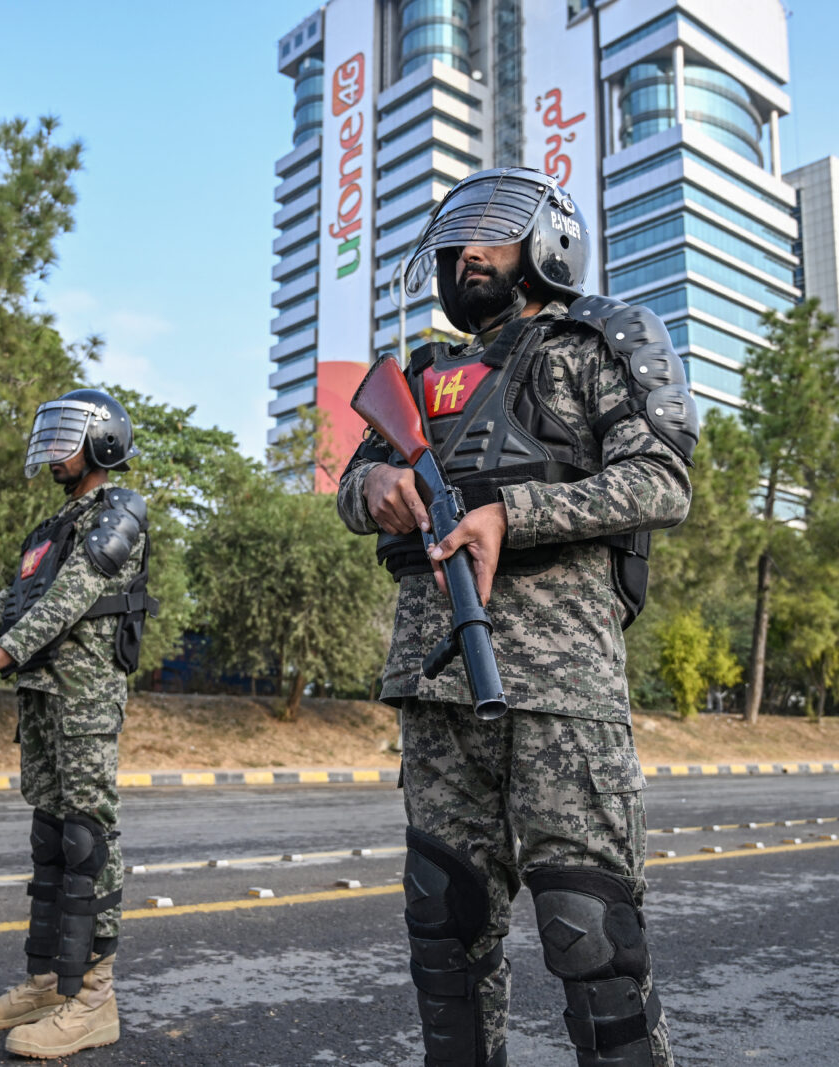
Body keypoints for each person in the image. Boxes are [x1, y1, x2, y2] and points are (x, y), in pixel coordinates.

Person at [336, 168, 695, 1067]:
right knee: (443, 927)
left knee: (589, 929)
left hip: (559, 687)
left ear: (547, 242)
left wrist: (513, 514)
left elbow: (662, 480)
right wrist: (373, 485)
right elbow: (350, 486)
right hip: (435, 681)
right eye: (453, 239)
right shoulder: (418, 377)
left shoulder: (600, 341)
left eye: (488, 231)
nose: (465, 253)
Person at [0, 388, 154, 1060]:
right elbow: (13, 599)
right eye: (50, 438)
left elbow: (67, 598)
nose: (55, 453)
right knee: (50, 839)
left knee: (87, 839)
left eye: (67, 438)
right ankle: (51, 981)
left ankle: (95, 997)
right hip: (41, 695)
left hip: (83, 698)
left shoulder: (121, 512)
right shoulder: (51, 528)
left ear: (104, 442)